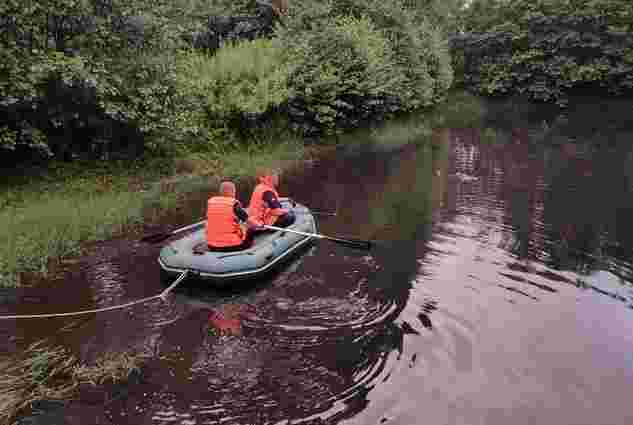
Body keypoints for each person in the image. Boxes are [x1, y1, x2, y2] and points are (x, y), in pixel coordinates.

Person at [206, 181, 261, 252]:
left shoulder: (211, 202)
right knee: (250, 228)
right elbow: (249, 220)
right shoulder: (234, 204)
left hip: (211, 246)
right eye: (234, 191)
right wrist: (259, 224)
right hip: (231, 245)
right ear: (232, 191)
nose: (235, 193)